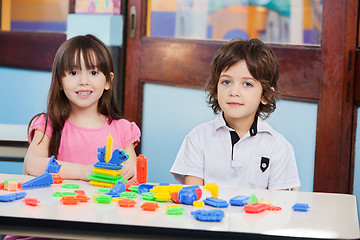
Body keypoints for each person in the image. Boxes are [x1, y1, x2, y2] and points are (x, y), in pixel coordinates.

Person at [170, 38, 300, 190]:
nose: (234, 92)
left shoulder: (279, 147)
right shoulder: (198, 138)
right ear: (216, 88)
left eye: (247, 84)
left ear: (265, 95)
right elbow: (192, 198)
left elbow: (279, 207)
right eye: (226, 82)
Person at [23, 34, 141, 182]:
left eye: (93, 72)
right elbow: (33, 164)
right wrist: (85, 171)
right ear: (60, 81)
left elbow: (135, 177)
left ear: (108, 81)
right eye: (73, 73)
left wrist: (128, 174)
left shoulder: (123, 129)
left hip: (106, 204)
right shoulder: (48, 124)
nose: (83, 81)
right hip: (58, 204)